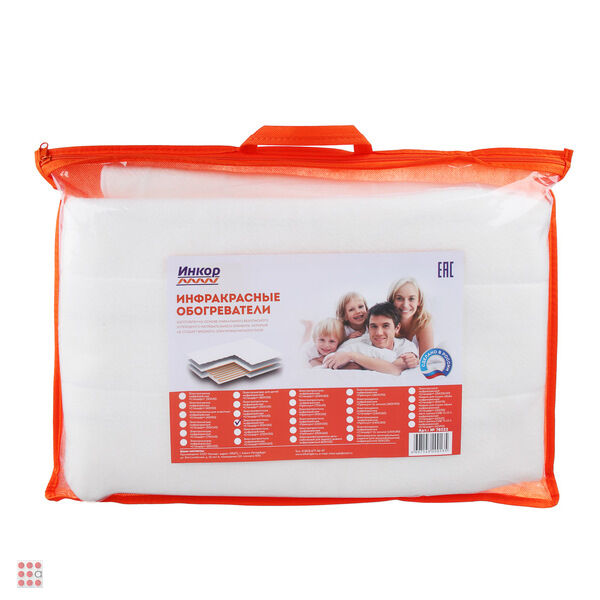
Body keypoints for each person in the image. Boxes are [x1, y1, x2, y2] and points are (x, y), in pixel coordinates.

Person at [323, 303, 418, 375]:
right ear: (368, 328)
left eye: (385, 326)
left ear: (397, 328)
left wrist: (353, 357)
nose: (379, 333)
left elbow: (394, 369)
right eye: (374, 326)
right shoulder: (355, 343)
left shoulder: (406, 345)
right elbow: (331, 361)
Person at [387, 278, 433, 356]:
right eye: (399, 298)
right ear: (392, 300)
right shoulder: (384, 320)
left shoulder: (424, 323)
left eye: (411, 299)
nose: (405, 305)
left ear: (419, 301)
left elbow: (427, 361)